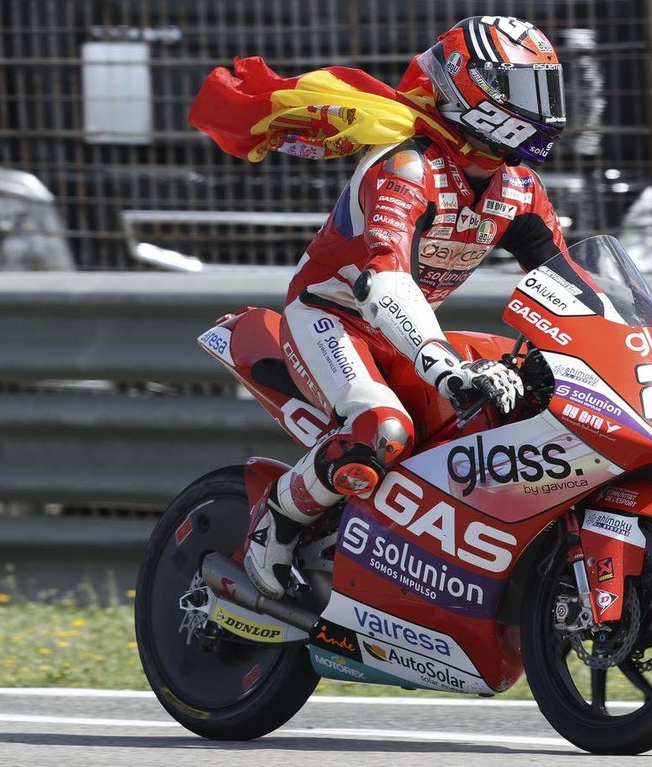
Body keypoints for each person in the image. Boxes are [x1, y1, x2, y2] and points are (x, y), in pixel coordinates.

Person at [189, 16, 568, 597]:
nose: (542, 110)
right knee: (382, 429)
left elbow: (570, 285)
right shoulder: (406, 165)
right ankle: (275, 527)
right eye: (526, 92)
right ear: (473, 89)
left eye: (546, 92)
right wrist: (443, 364)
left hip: (403, 333)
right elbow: (384, 282)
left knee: (510, 411)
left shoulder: (520, 188)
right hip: (331, 317)